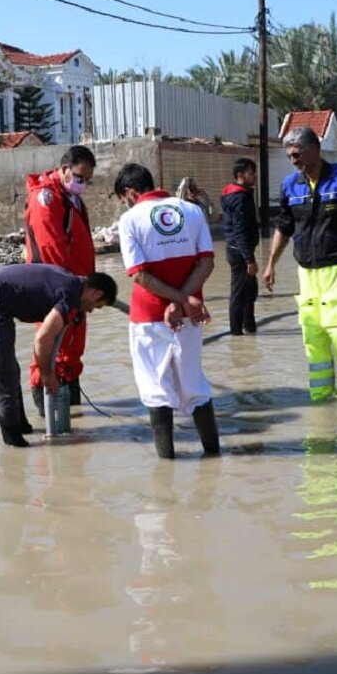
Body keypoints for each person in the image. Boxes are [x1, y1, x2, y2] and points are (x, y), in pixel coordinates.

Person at [115, 163, 221, 460]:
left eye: (124, 199)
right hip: (191, 315)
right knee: (195, 385)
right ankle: (214, 457)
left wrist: (174, 300)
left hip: (149, 317)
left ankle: (167, 468)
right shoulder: (192, 211)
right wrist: (185, 300)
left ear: (131, 193)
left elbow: (139, 275)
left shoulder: (130, 220)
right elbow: (207, 262)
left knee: (155, 389)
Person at [263, 127, 337, 401]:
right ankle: (321, 397)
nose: (293, 160)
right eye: (289, 156)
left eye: (297, 154)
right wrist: (270, 264)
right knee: (313, 335)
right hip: (307, 272)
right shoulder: (290, 185)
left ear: (314, 148)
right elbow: (284, 227)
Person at [0, 265, 117, 448]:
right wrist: (46, 374)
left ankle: (23, 429)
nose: (91, 311)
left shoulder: (73, 285)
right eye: (97, 306)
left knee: (11, 371)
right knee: (4, 378)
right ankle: (15, 446)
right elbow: (43, 337)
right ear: (96, 294)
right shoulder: (69, 294)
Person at [24, 145, 97, 414]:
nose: (83, 184)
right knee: (53, 351)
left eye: (88, 180)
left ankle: (73, 417)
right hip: (59, 290)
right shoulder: (47, 199)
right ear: (64, 169)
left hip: (77, 288)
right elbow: (52, 250)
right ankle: (51, 417)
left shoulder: (70, 198)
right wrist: (71, 291)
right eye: (80, 178)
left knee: (71, 353)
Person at [220, 158, 259, 336]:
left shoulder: (237, 194)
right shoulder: (240, 198)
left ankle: (249, 328)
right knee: (239, 293)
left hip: (240, 250)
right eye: (252, 172)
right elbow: (240, 231)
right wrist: (249, 259)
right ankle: (236, 333)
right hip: (239, 252)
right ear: (240, 175)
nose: (255, 176)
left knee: (249, 291)